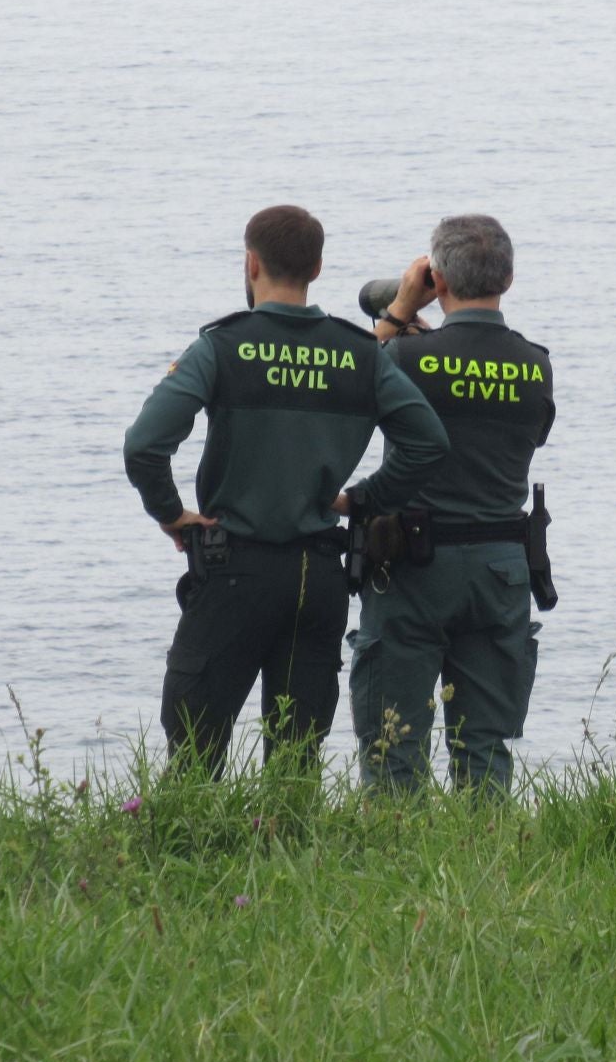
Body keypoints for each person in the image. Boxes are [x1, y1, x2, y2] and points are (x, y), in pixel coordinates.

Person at [124, 205, 448, 776]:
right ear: (318, 268)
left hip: (233, 572)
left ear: (250, 263)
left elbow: (145, 445)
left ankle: (180, 857)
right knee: (296, 762)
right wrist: (362, 498)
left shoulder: (222, 347)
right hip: (317, 577)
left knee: (195, 752)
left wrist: (172, 515)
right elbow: (427, 445)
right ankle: (290, 850)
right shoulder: (358, 353)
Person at [348, 215, 556, 795]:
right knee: (485, 744)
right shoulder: (535, 365)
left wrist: (394, 317)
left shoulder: (406, 358)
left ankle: (396, 862)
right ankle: (485, 861)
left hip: (413, 567)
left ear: (435, 280)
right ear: (508, 278)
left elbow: (342, 390)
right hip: (500, 567)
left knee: (393, 742)